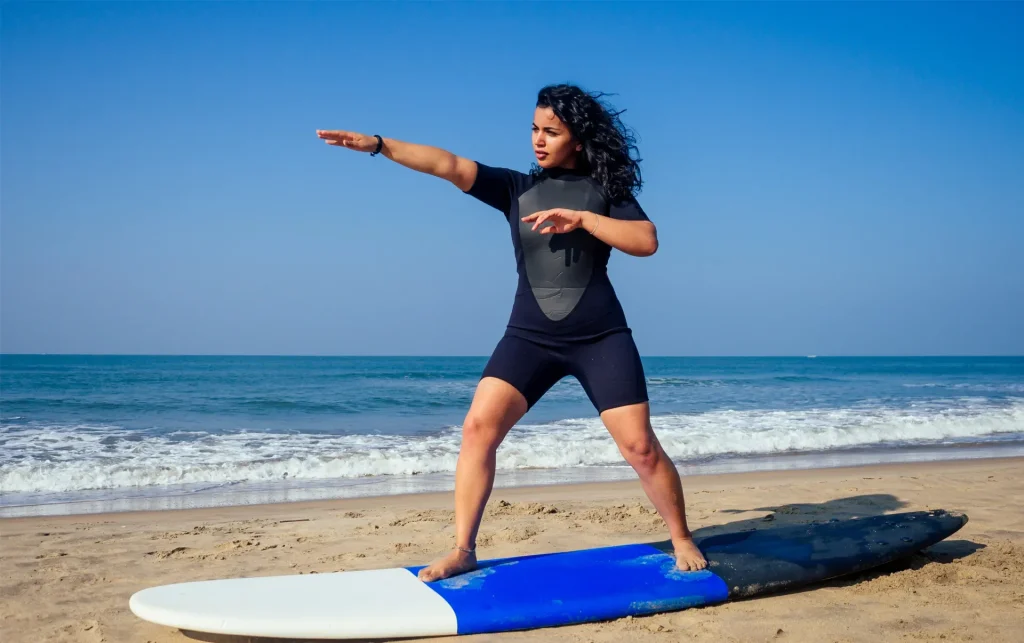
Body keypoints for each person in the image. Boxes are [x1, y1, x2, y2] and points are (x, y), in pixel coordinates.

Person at [316, 84, 707, 581]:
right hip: (529, 336)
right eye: (534, 129)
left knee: (640, 448)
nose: (538, 140)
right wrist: (378, 144)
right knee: (478, 429)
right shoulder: (517, 189)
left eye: (551, 131)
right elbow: (448, 165)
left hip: (599, 336)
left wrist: (584, 219)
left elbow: (646, 241)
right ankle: (463, 548)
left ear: (579, 140)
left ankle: (680, 535)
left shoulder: (607, 194)